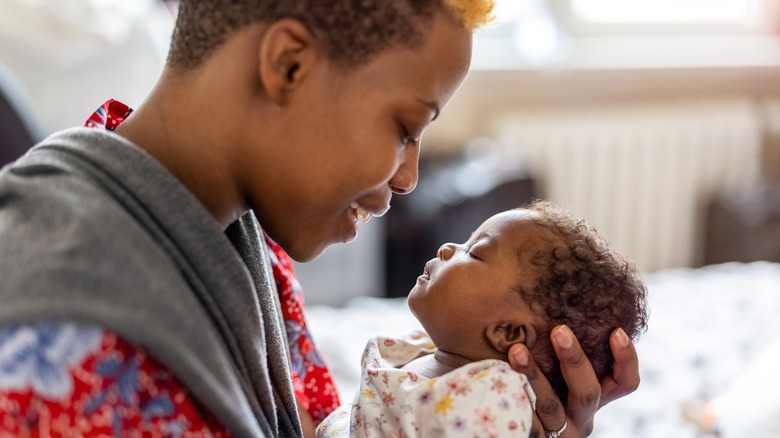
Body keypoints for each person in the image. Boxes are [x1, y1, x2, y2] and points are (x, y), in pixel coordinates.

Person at [0, 1, 641, 437]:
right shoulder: (66, 353)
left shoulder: (234, 237)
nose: (408, 177)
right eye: (405, 127)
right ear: (289, 65)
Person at [318, 201, 648, 437]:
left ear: (507, 332)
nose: (448, 248)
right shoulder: (430, 352)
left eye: (474, 252)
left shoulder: (488, 404)